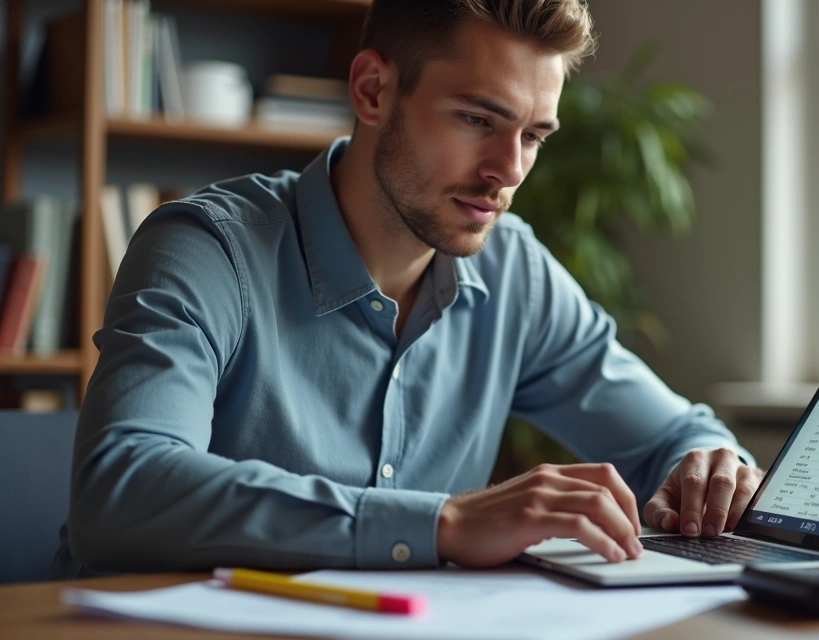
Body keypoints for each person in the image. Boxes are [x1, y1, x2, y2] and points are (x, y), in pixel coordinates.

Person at [52, 0, 762, 578]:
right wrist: (443, 523)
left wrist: (709, 469)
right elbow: (123, 490)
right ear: (373, 91)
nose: (507, 170)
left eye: (534, 136)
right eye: (478, 120)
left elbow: (674, 435)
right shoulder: (207, 249)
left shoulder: (515, 271)